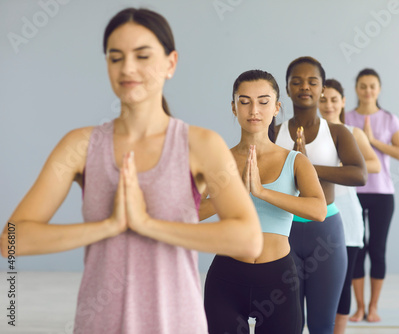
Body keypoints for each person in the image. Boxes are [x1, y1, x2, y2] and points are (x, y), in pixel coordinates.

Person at [0, 8, 263, 334]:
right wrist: (109, 226)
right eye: (115, 57)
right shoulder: (80, 146)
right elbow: (12, 240)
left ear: (171, 63)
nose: (127, 68)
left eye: (142, 56)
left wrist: (147, 224)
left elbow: (249, 240)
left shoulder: (201, 145)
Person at [201, 69, 327, 334]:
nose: (253, 110)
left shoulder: (296, 161)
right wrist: (232, 192)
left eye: (263, 101)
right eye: (244, 101)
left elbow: (318, 210)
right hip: (226, 278)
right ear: (234, 108)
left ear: (277, 107)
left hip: (279, 281)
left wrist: (262, 192)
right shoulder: (215, 159)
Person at [274, 56, 367, 334]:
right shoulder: (274, 132)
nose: (305, 86)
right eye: (297, 81)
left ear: (322, 88)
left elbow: (359, 174)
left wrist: (307, 167)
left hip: (326, 234)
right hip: (283, 232)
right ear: (287, 89)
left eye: (312, 81)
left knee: (322, 325)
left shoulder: (337, 132)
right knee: (288, 324)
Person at [318, 78, 380, 334]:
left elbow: (372, 165)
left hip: (348, 218)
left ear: (343, 102)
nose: (329, 105)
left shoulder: (353, 133)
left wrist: (338, 171)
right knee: (318, 282)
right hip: (316, 215)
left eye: (334, 99)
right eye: (323, 99)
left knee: (343, 282)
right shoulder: (307, 133)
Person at [345, 68, 399, 323]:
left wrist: (372, 141)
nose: (367, 90)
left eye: (372, 86)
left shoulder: (390, 119)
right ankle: (359, 307)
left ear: (378, 89)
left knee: (377, 251)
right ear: (356, 89)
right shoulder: (346, 118)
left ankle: (373, 307)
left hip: (382, 194)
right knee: (357, 249)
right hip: (354, 193)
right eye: (362, 86)